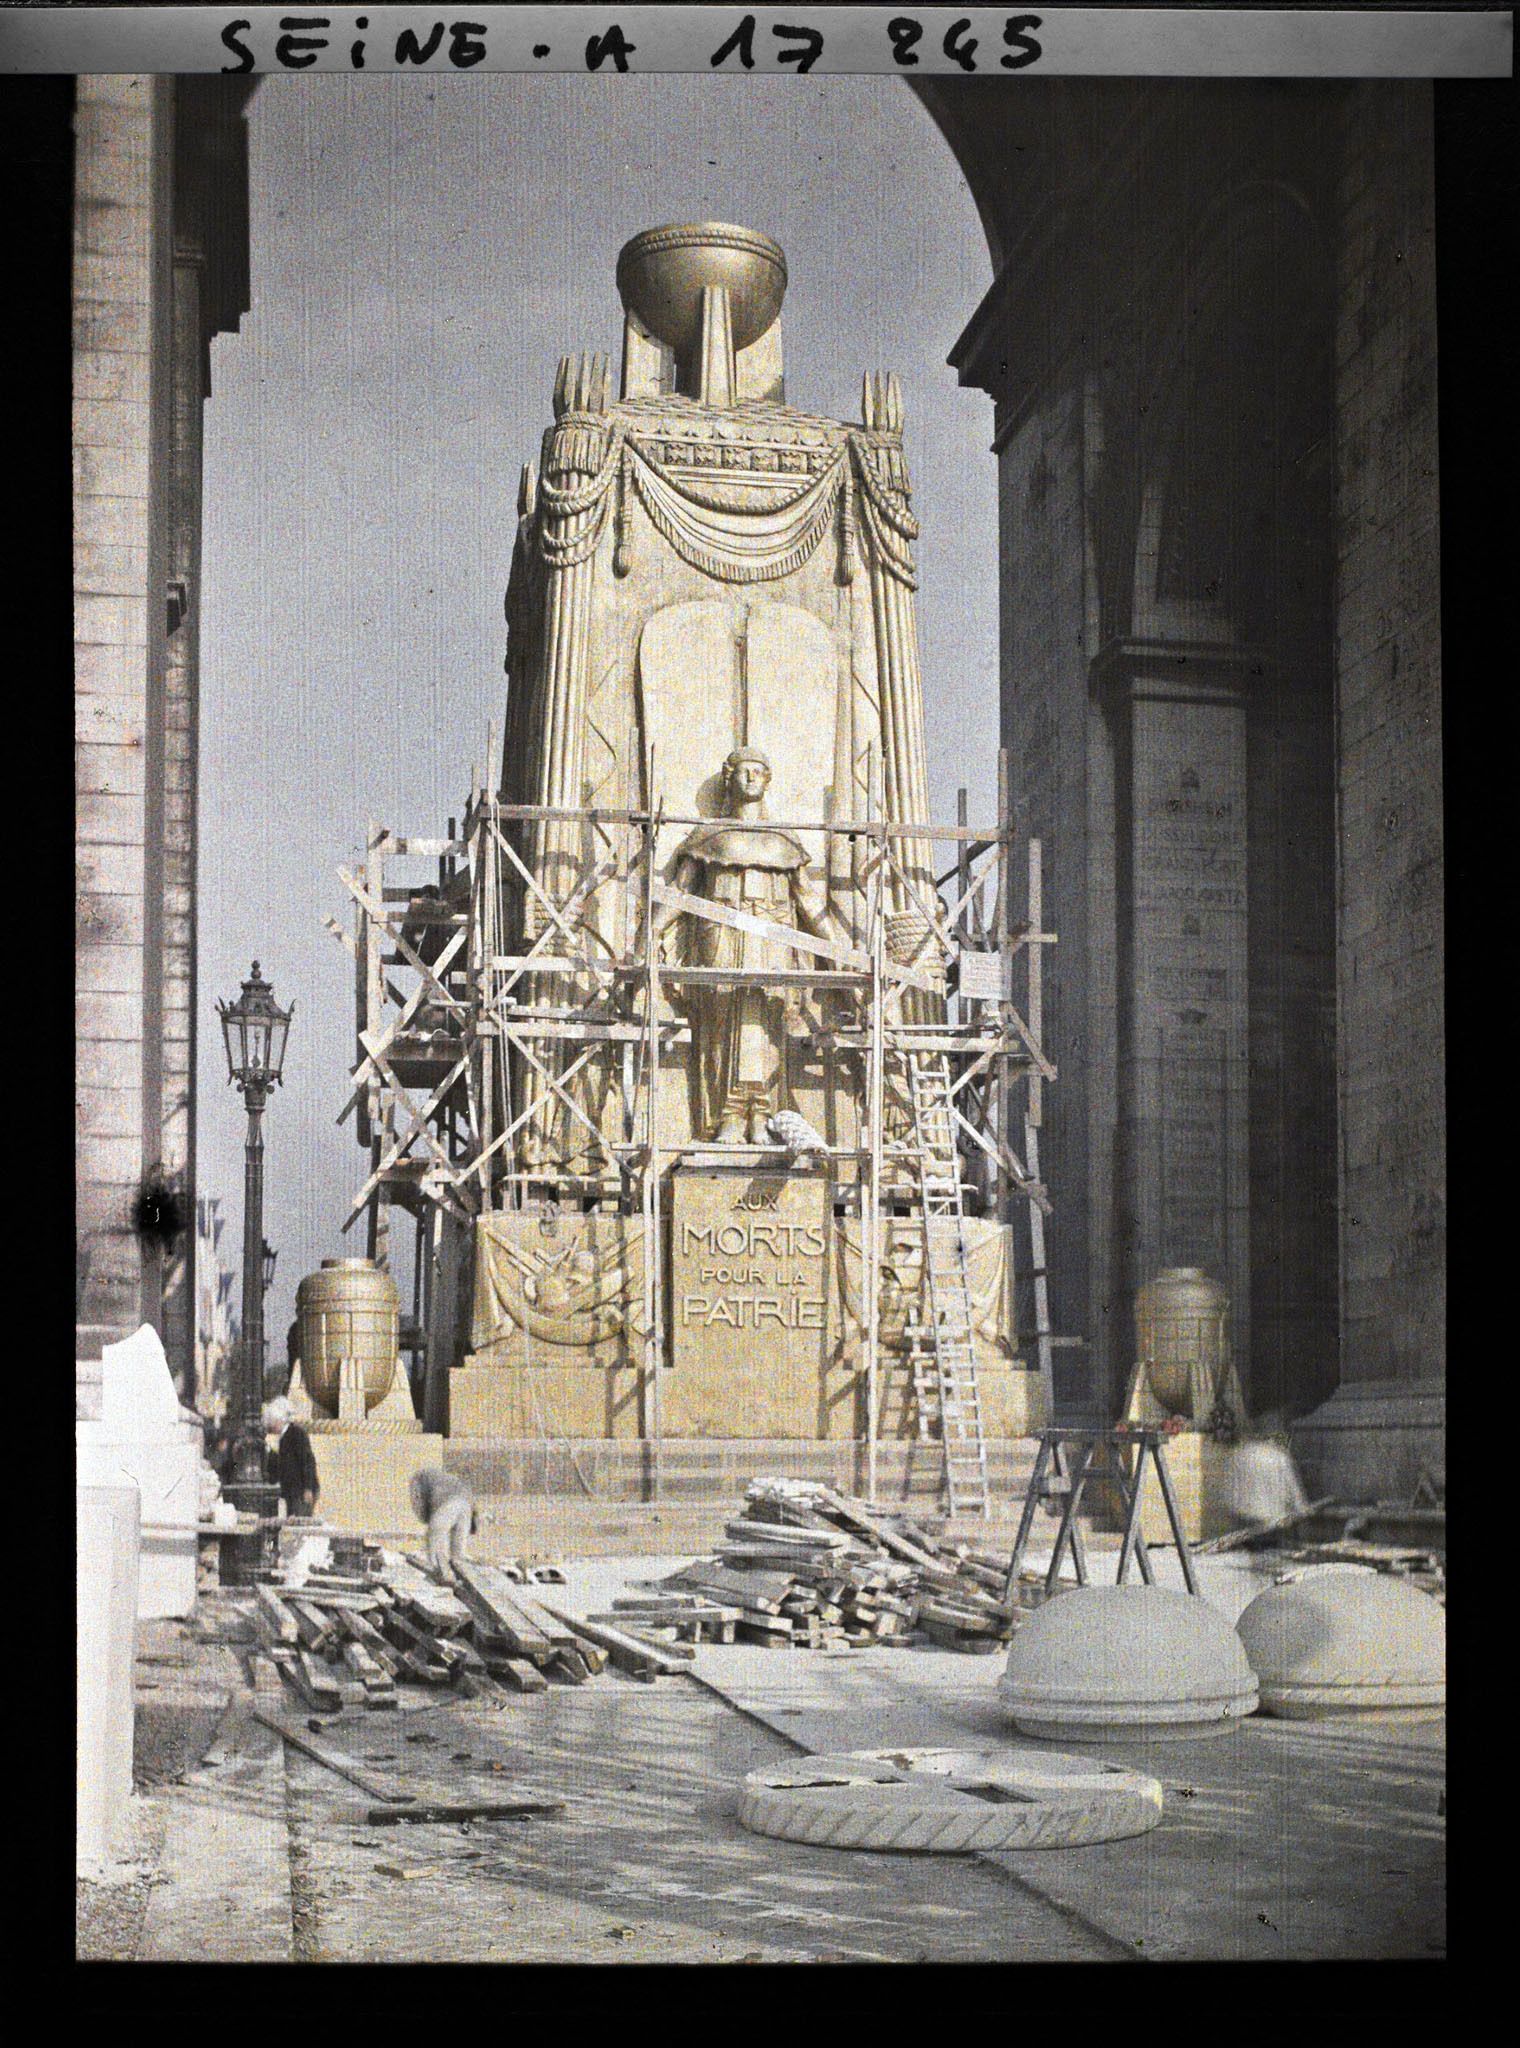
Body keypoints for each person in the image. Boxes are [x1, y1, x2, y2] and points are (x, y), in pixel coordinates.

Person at [655, 748, 835, 1143]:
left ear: (768, 779)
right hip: (721, 939)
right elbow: (679, 892)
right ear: (728, 777)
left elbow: (805, 898)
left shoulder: (783, 839)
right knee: (720, 1027)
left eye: (759, 772)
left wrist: (836, 947)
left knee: (766, 1026)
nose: (751, 778)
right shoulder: (709, 837)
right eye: (743, 771)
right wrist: (648, 934)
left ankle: (763, 1114)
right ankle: (729, 1116)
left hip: (771, 938)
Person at [410, 1466, 476, 1584]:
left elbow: (418, 1503)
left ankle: (438, 1577)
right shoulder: (449, 1479)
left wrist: (428, 1522)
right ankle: (463, 1580)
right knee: (458, 1553)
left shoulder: (417, 1478)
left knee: (435, 1544)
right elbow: (472, 1504)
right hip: (466, 1505)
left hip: (448, 1504)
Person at [264, 1396, 320, 1519]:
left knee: (299, 1522)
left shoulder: (296, 1434)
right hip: (293, 1492)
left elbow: (307, 1461)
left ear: (278, 1420)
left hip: (301, 1491)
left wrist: (308, 1488)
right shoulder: (285, 1436)